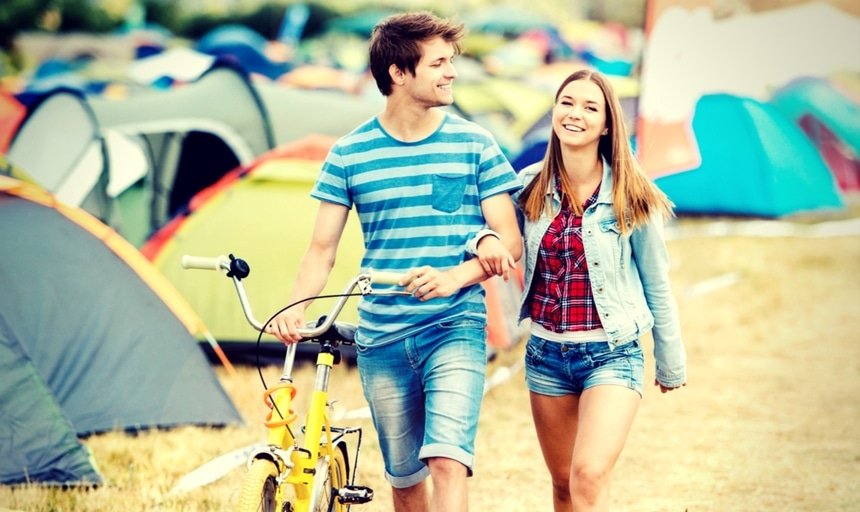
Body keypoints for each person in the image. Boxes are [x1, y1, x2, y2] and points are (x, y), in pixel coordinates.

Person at [266, 11, 522, 512]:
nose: (451, 73)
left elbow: (509, 241)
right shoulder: (349, 154)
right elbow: (322, 248)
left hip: (455, 325)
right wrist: (297, 306)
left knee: (448, 461)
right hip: (381, 335)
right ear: (398, 74)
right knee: (405, 482)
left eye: (452, 62)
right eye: (439, 63)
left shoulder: (474, 144)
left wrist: (456, 277)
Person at [476, 69, 687, 511]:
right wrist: (486, 240)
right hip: (547, 355)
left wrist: (670, 361)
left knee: (588, 474)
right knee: (563, 485)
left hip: (613, 353)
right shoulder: (528, 185)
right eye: (567, 102)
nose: (575, 113)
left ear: (608, 123)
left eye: (590, 107)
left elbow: (657, 282)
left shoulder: (633, 193)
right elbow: (490, 232)